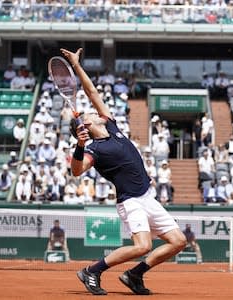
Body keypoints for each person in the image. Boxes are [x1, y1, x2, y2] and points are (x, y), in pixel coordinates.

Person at [61, 48, 186, 296]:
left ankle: (134, 274)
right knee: (142, 245)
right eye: (90, 114)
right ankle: (92, 271)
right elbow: (76, 171)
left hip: (147, 196)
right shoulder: (93, 149)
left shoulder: (110, 124)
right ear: (86, 126)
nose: (95, 112)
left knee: (178, 241)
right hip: (130, 202)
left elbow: (92, 91)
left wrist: (76, 65)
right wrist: (80, 145)